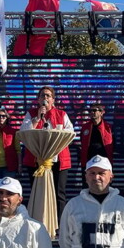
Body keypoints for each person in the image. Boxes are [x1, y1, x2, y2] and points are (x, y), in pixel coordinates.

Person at [20, 85, 73, 219]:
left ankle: (60, 224)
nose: (45, 98)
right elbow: (24, 132)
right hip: (36, 160)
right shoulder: (31, 113)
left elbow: (70, 133)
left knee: (59, 193)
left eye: (48, 95)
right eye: (42, 95)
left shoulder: (62, 114)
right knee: (37, 191)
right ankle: (37, 220)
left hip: (58, 160)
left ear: (53, 100)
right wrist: (37, 118)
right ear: (38, 100)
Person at [79, 103, 114, 168]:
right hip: (88, 161)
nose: (92, 112)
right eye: (90, 111)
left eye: (94, 110)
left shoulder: (108, 128)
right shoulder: (85, 127)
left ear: (101, 112)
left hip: (104, 161)